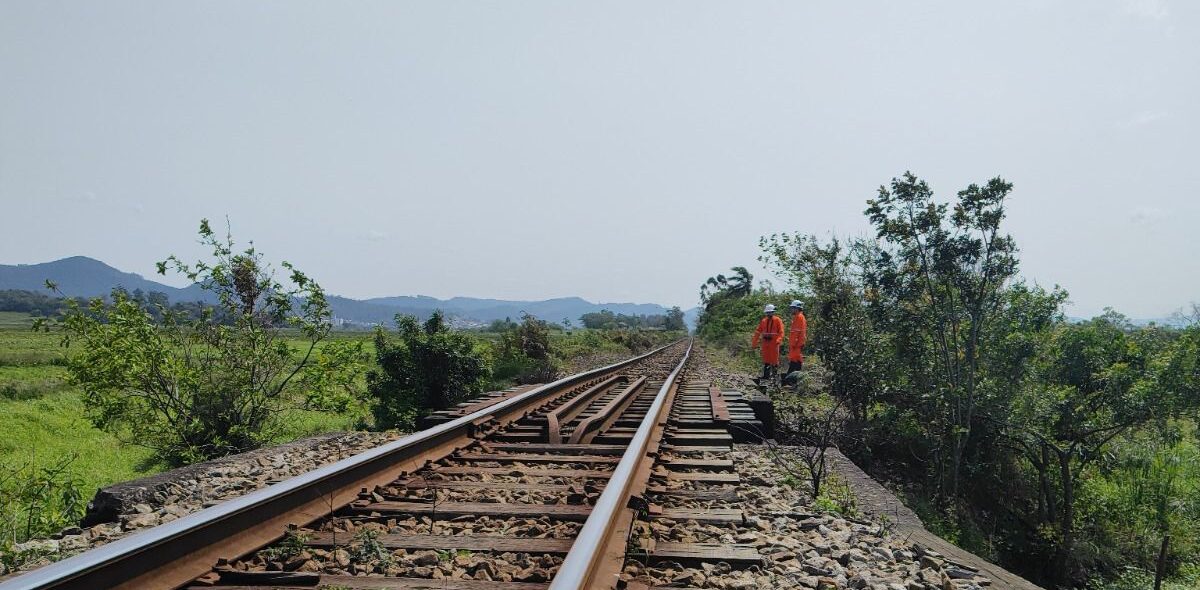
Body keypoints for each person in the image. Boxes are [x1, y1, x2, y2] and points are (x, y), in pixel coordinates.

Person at [751, 303, 784, 381]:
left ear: (773, 312)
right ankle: (766, 377)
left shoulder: (778, 320)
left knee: (774, 360)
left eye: (770, 312)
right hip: (765, 343)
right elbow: (758, 331)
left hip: (774, 343)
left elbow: (781, 332)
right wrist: (754, 343)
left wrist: (778, 340)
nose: (769, 314)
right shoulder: (763, 321)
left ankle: (774, 377)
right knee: (766, 360)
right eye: (767, 312)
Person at [785, 299, 807, 380]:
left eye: (793, 308)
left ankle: (788, 380)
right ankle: (797, 379)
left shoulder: (799, 317)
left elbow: (797, 332)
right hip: (796, 344)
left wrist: (793, 344)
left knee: (794, 362)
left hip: (796, 345)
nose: (791, 310)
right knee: (797, 362)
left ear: (797, 308)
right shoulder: (798, 317)